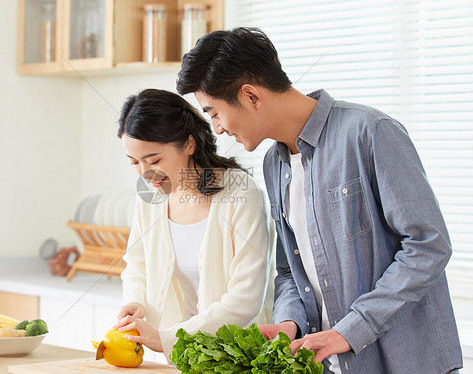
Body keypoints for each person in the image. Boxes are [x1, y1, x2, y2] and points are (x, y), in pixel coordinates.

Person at [176, 27, 462, 374]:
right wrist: (288, 323)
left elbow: (428, 245)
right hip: (330, 365)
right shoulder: (274, 164)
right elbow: (289, 271)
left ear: (251, 96)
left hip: (406, 364)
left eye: (214, 113)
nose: (217, 128)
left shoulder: (369, 132)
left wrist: (351, 330)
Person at [114, 88, 274, 361]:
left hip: (240, 355)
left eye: (154, 160)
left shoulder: (239, 192)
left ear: (189, 144)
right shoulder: (151, 196)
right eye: (135, 163)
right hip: (182, 357)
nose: (145, 173)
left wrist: (165, 338)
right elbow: (137, 264)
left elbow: (246, 299)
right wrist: (136, 302)